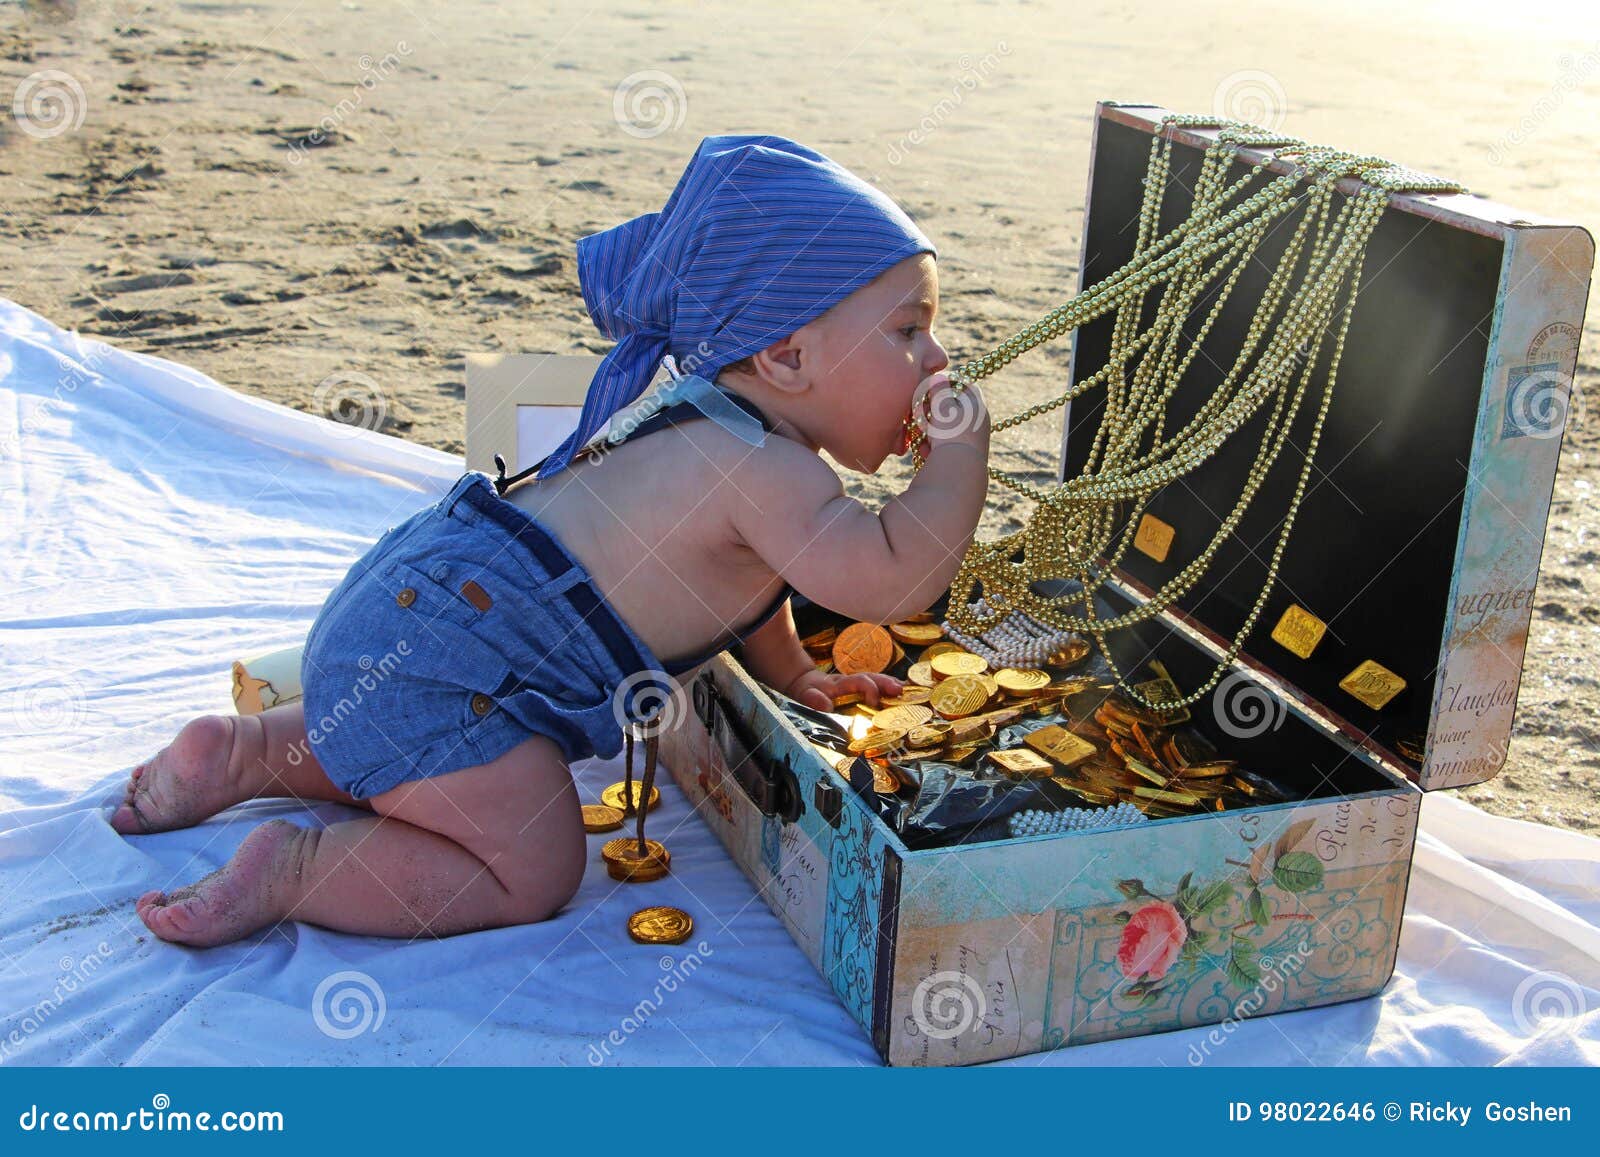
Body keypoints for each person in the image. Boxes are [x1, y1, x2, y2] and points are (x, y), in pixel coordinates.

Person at [109, 134, 990, 946]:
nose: (938, 358)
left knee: (392, 734)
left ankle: (244, 752)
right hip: (451, 668)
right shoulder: (775, 475)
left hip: (418, 598)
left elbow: (750, 585)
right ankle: (296, 871)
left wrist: (793, 674)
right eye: (909, 330)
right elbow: (890, 577)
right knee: (532, 868)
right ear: (789, 358)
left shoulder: (701, 418)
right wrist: (961, 454)